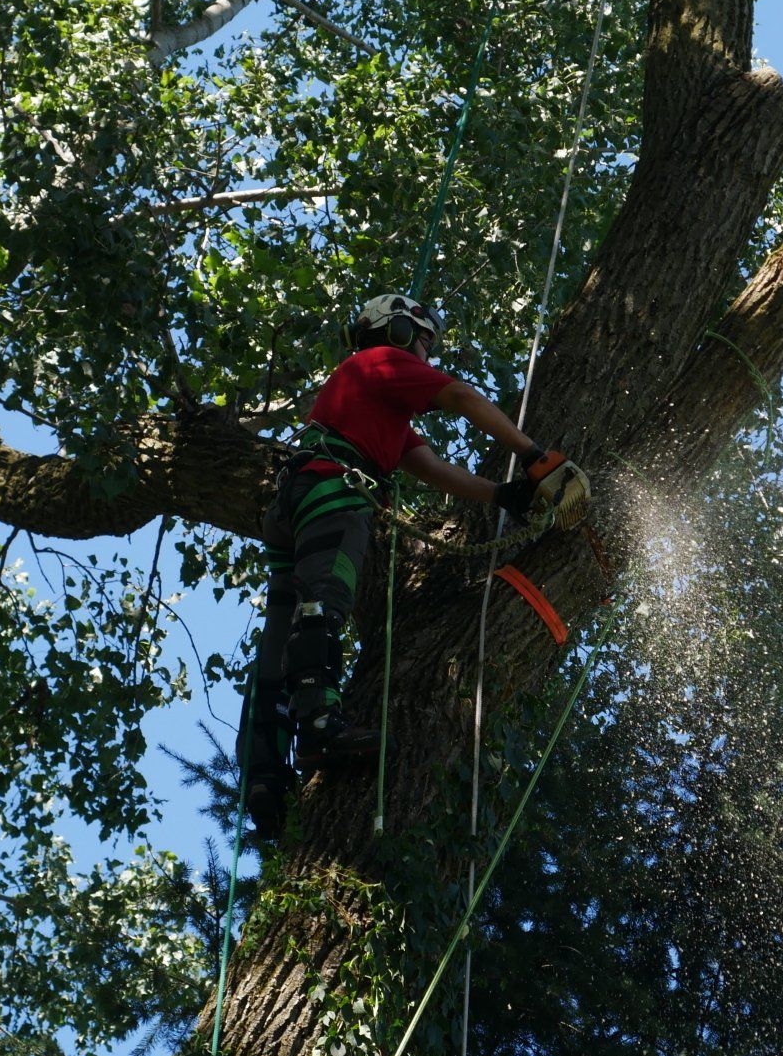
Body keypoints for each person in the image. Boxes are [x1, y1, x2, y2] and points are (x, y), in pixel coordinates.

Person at [242, 292, 588, 830]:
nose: (426, 350)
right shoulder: (380, 362)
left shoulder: (371, 399)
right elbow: (460, 395)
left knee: (284, 625)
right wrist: (533, 456)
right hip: (333, 491)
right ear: (396, 330)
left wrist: (502, 494)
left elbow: (429, 467)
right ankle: (320, 729)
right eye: (422, 338)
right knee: (323, 605)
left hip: (299, 496)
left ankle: (265, 771)